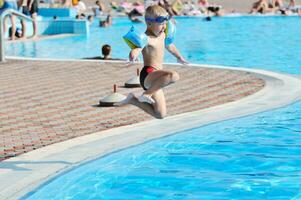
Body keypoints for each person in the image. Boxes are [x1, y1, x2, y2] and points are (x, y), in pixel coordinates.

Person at [115, 5, 188, 119]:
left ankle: (133, 100)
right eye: (161, 24)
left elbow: (169, 46)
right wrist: (132, 57)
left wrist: (179, 57)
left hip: (158, 79)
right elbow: (136, 49)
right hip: (148, 74)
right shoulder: (146, 38)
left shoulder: (163, 35)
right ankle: (146, 94)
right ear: (149, 24)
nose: (164, 27)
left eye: (165, 23)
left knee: (160, 114)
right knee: (174, 76)